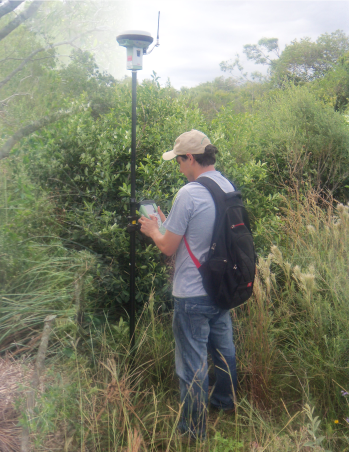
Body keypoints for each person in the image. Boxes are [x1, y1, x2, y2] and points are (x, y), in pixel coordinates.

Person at [138, 129, 240, 440]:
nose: (179, 167)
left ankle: (193, 431)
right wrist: (170, 224)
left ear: (191, 158)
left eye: (179, 161)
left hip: (192, 293)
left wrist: (153, 229)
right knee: (224, 351)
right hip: (221, 287)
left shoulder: (189, 193)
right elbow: (201, 233)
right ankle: (224, 402)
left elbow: (168, 247)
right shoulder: (225, 185)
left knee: (192, 366)